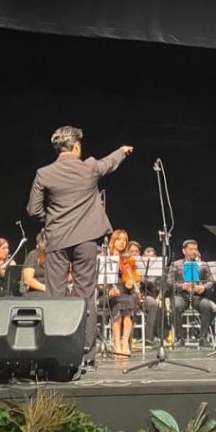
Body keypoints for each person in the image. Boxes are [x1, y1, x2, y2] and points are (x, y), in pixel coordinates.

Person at [27, 126, 133, 365]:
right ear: (75, 146)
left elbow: (33, 210)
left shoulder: (44, 173)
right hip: (86, 240)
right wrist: (122, 151)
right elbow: (109, 163)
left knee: (56, 295)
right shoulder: (89, 168)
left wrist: (52, 220)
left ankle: (56, 351)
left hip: (57, 239)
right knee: (85, 295)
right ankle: (86, 354)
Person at [169, 240, 216, 347]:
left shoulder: (203, 264)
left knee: (207, 306)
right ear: (184, 251)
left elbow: (211, 282)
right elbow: (170, 282)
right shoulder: (176, 264)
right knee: (176, 306)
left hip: (198, 296)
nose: (193, 251)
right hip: (181, 295)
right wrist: (181, 286)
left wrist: (203, 287)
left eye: (195, 249)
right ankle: (179, 338)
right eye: (191, 249)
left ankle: (202, 337)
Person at [105, 230, 136, 355]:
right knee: (120, 303)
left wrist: (130, 283)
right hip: (109, 294)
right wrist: (109, 290)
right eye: (119, 239)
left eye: (125, 240)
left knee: (128, 301)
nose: (122, 242)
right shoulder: (106, 258)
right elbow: (99, 282)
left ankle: (124, 342)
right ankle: (116, 342)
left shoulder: (128, 259)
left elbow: (133, 279)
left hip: (125, 293)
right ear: (113, 241)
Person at [21, 229, 49, 295]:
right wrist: (46, 288)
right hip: (36, 291)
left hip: (52, 290)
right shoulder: (33, 255)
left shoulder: (53, 256)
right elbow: (28, 280)